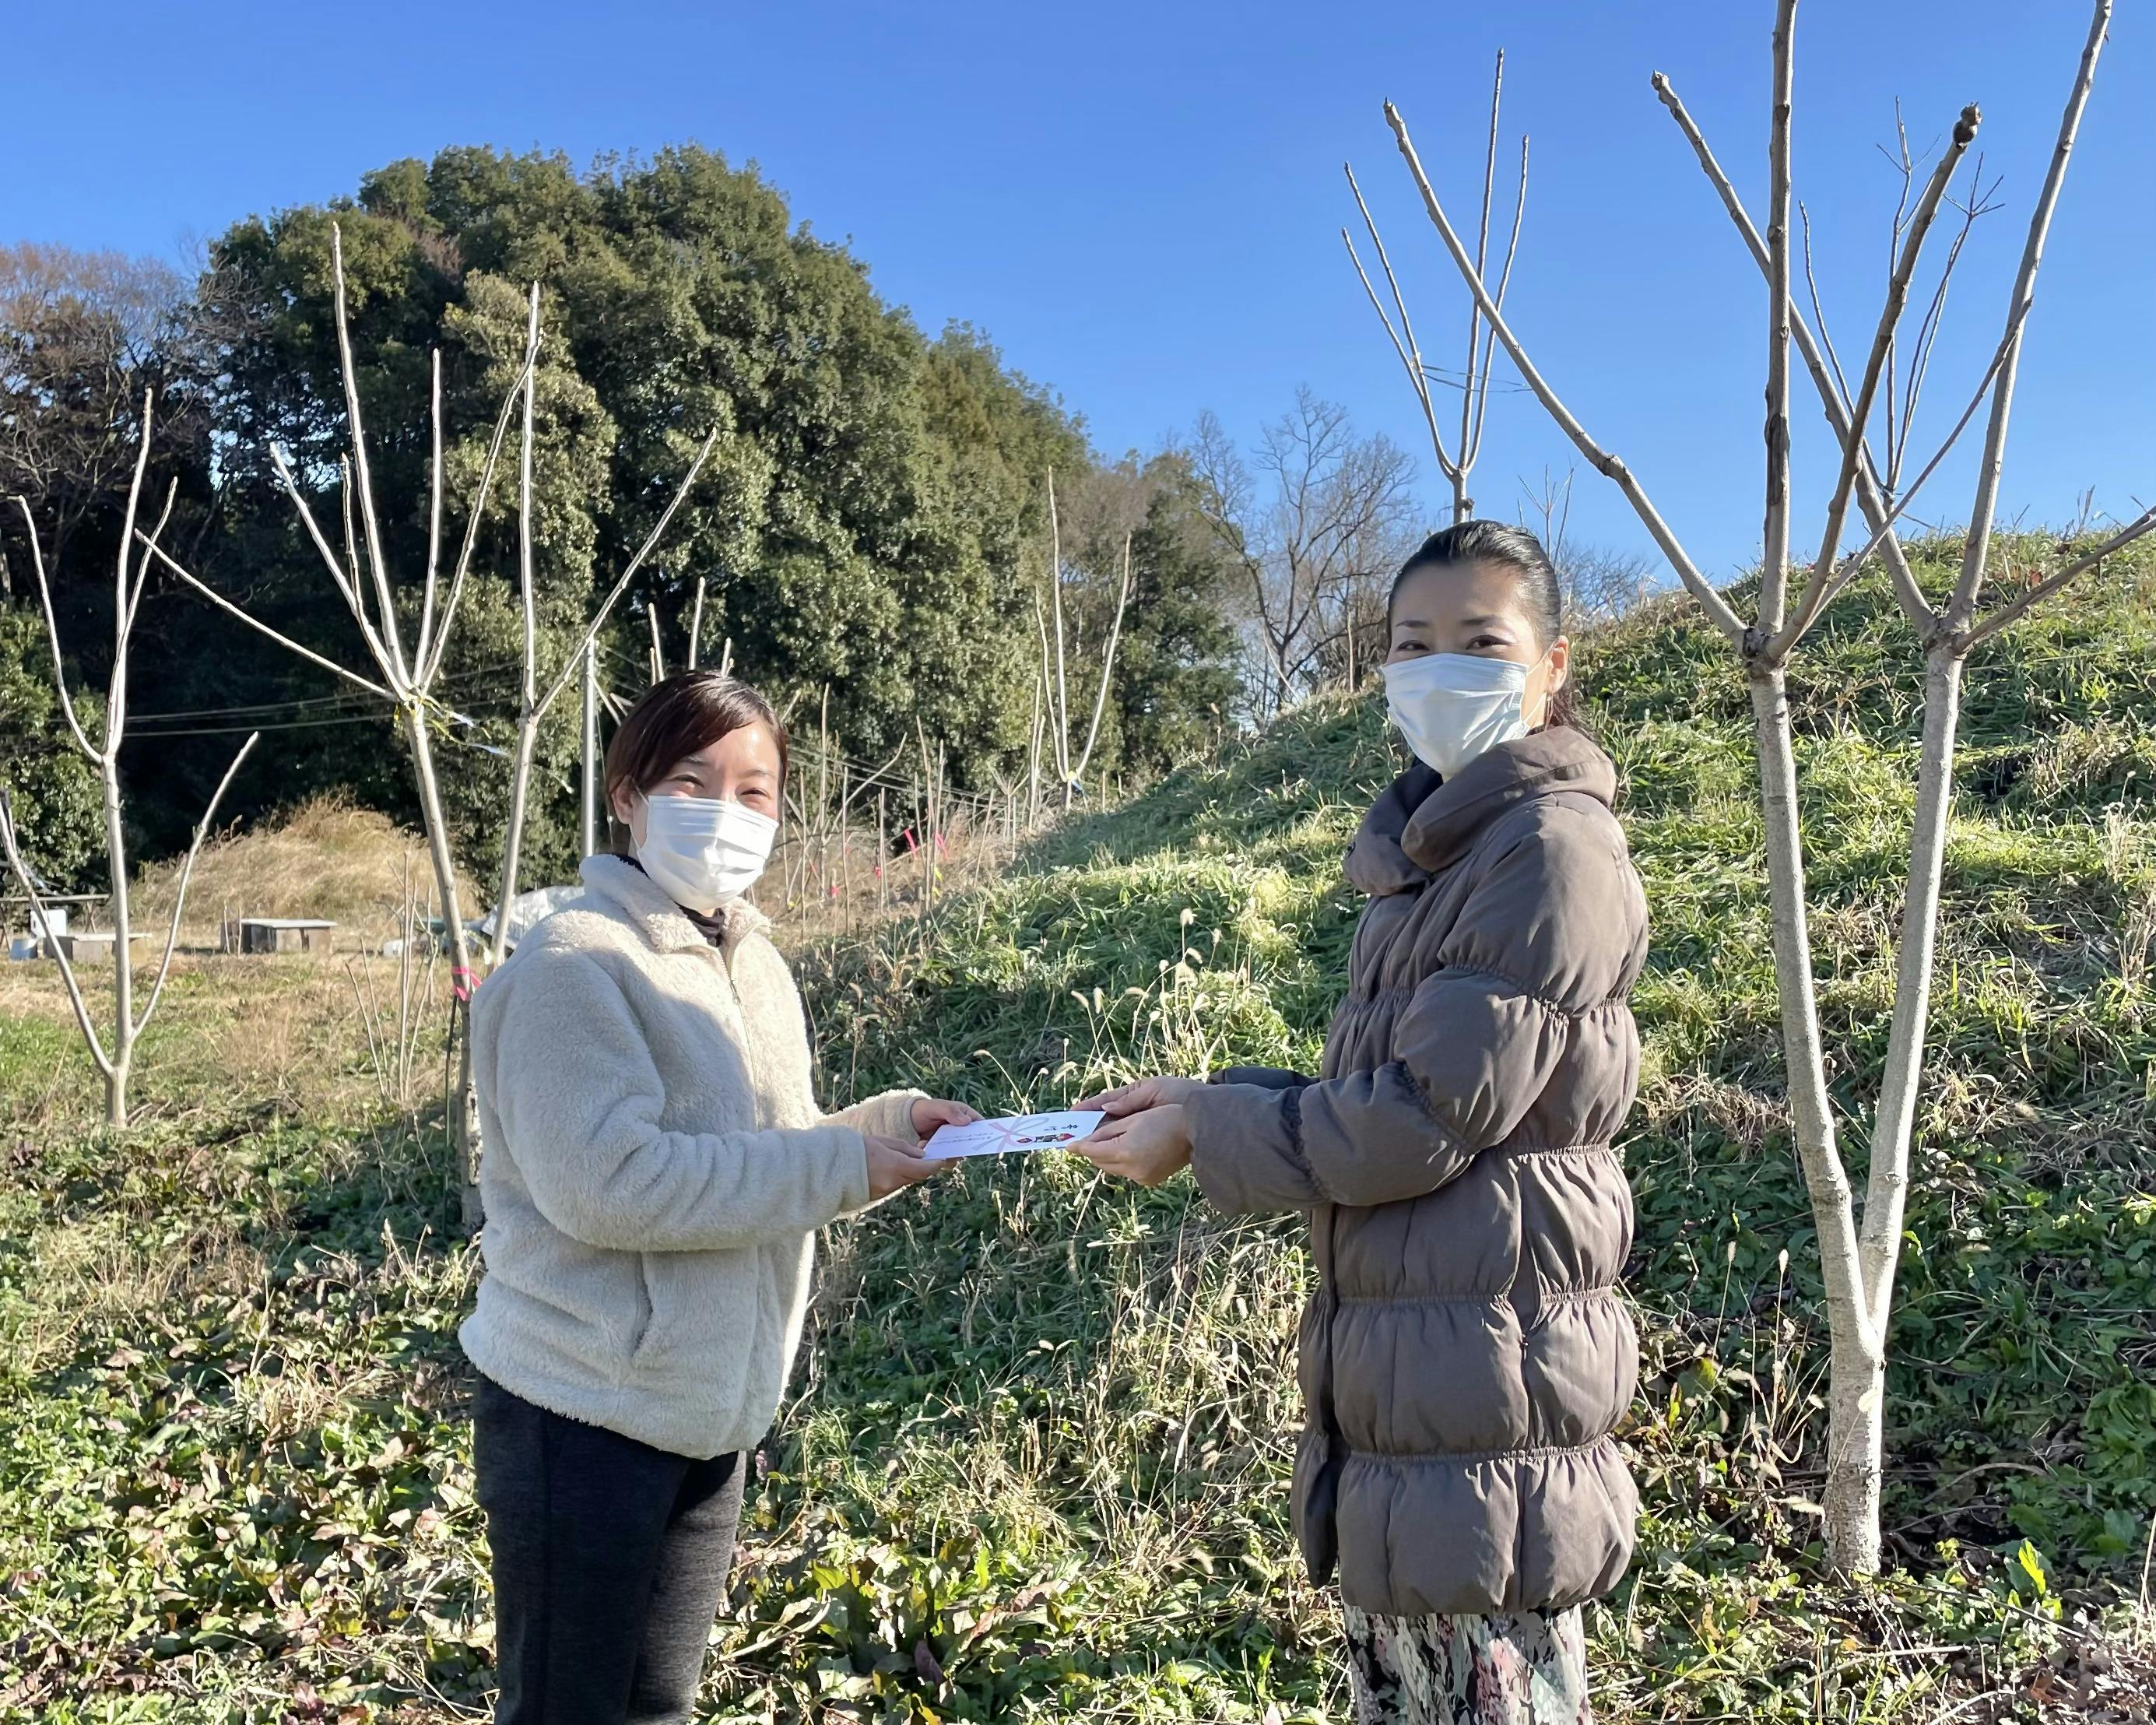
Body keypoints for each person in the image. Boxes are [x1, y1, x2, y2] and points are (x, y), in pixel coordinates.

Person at [1081, 521, 1646, 1725]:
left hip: (1486, 1396)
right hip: (1428, 1382)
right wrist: (1200, 1101)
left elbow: (1418, 1124)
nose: (1441, 670)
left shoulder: (1548, 851)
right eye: (1412, 643)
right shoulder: (1433, 859)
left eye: (1481, 643)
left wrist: (1207, 1136)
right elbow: (1396, 1092)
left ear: (1551, 665)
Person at [459, 670, 977, 1724]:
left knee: (658, 1707)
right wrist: (840, 1168)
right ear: (627, 794)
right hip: (581, 1411)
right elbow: (611, 1186)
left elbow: (768, 1148)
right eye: (691, 782)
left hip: (708, 1411)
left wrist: (885, 1129)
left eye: (754, 791)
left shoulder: (754, 961)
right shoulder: (572, 967)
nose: (726, 813)